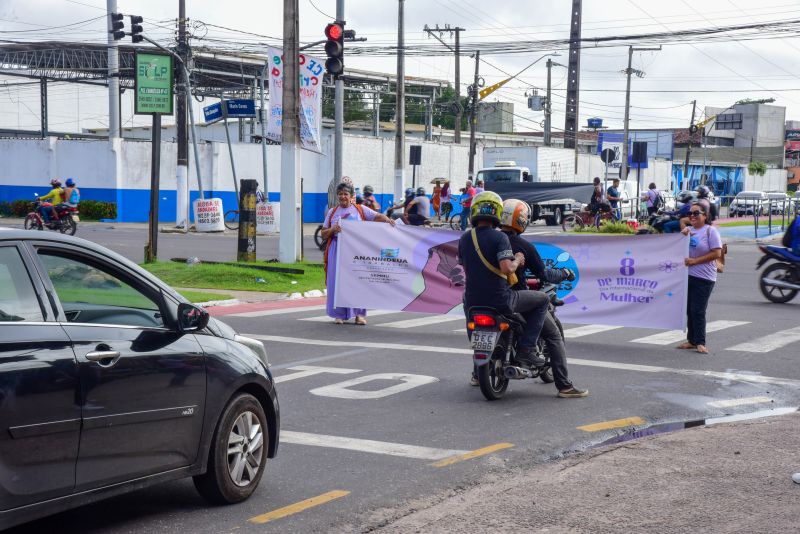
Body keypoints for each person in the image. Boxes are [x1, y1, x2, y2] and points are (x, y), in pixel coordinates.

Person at [495, 198, 588, 398]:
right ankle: (563, 385)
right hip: (514, 298)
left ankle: (478, 374)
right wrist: (564, 272)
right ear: (522, 220)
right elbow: (544, 275)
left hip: (484, 299)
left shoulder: (488, 239)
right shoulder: (523, 246)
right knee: (553, 335)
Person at [458, 191, 551, 370]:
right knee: (543, 300)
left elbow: (464, 266)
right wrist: (517, 260)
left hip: (473, 301)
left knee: (468, 309)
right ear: (497, 213)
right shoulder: (500, 237)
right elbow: (506, 268)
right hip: (501, 300)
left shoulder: (465, 238)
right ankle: (527, 349)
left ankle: (478, 367)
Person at [320, 182, 394, 325]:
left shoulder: (360, 210)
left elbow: (377, 216)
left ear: (351, 196)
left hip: (355, 251)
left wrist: (388, 220)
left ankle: (359, 314)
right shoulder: (332, 212)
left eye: (345, 194)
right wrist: (333, 229)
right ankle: (338, 314)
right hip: (337, 250)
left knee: (358, 281)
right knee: (336, 282)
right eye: (340, 194)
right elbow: (323, 234)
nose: (342, 197)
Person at [677, 204, 722, 354]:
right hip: (688, 276)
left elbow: (717, 253)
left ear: (705, 215)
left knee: (698, 310)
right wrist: (682, 237)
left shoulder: (711, 231)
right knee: (689, 309)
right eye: (690, 213)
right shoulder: (689, 231)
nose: (692, 216)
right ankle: (692, 340)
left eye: (696, 213)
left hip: (705, 277)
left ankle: (700, 342)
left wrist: (695, 262)